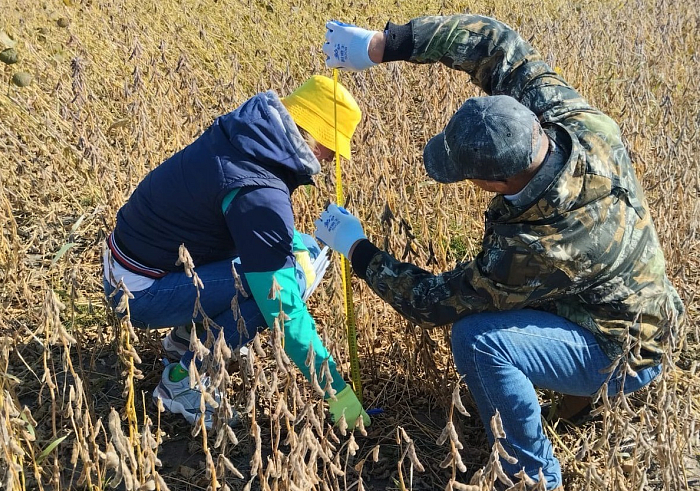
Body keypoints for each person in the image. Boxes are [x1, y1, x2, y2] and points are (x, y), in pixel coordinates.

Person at [314, 15, 684, 490]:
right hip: (649, 307)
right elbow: (495, 42)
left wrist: (358, 251)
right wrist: (383, 45)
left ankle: (532, 476)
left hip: (627, 352)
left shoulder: (531, 247)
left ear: (494, 182)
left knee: (478, 339)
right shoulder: (581, 127)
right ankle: (576, 401)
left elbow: (431, 302)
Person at [103, 75, 370, 431]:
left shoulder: (248, 136)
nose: (333, 158)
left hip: (139, 264)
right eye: (333, 148)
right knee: (284, 286)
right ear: (316, 139)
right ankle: (185, 381)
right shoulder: (259, 190)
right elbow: (283, 307)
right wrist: (339, 396)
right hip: (138, 292)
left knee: (303, 246)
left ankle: (188, 334)